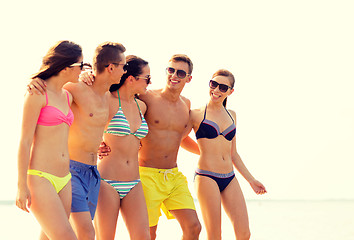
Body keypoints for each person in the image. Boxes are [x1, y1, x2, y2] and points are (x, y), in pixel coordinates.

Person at [26, 41, 127, 240]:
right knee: (86, 234)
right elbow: (52, 81)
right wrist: (34, 81)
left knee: (50, 234)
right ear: (111, 67)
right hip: (69, 170)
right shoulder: (76, 87)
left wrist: (100, 142)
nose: (125, 71)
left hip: (92, 173)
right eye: (123, 66)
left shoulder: (109, 97)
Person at [97, 54, 201, 240]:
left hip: (173, 176)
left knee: (193, 227)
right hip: (144, 175)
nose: (174, 75)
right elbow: (101, 112)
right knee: (148, 233)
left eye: (180, 72)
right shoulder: (146, 97)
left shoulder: (186, 104)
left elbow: (179, 137)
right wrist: (98, 141)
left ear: (189, 78)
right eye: (170, 70)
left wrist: (211, 154)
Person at [189, 69, 267, 240]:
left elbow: (234, 154)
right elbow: (179, 140)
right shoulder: (196, 114)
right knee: (215, 235)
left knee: (244, 233)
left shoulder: (232, 115)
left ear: (231, 91)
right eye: (213, 84)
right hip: (206, 176)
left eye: (223, 87)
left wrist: (251, 180)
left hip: (229, 177)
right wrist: (202, 150)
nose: (216, 90)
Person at [16, 40, 82, 239]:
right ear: (66, 68)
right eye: (80, 65)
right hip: (40, 178)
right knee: (67, 236)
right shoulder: (37, 93)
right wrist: (21, 186)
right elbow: (25, 141)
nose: (82, 70)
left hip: (65, 178)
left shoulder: (68, 96)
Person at [94, 55, 151, 240]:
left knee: (143, 236)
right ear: (131, 79)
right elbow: (80, 126)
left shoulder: (141, 106)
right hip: (107, 182)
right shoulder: (106, 100)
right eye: (147, 78)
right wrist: (94, 146)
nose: (149, 83)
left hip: (134, 182)